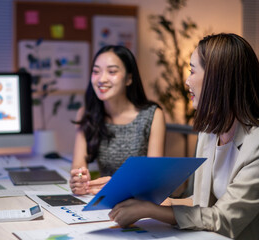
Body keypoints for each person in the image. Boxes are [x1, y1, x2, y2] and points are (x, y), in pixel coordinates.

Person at [109, 33, 259, 240]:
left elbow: (224, 219)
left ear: (216, 77)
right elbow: (198, 201)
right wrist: (142, 201)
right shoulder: (209, 131)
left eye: (192, 71)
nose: (187, 81)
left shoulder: (256, 144)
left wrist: (150, 210)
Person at [70, 45, 166, 195]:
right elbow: (78, 165)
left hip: (141, 200)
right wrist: (79, 179)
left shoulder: (152, 114)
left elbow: (154, 177)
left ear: (129, 79)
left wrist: (118, 185)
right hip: (105, 201)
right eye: (96, 72)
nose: (101, 79)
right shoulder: (86, 114)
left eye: (112, 72)